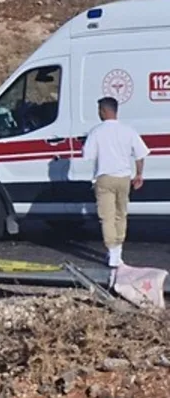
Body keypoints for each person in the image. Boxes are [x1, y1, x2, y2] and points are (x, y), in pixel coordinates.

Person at [81, 96, 150, 269]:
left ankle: (112, 254)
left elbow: (87, 155)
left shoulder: (96, 132)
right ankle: (117, 251)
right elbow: (140, 155)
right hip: (124, 178)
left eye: (99, 110)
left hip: (104, 178)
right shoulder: (128, 130)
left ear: (104, 111)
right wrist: (139, 174)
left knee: (107, 216)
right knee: (121, 214)